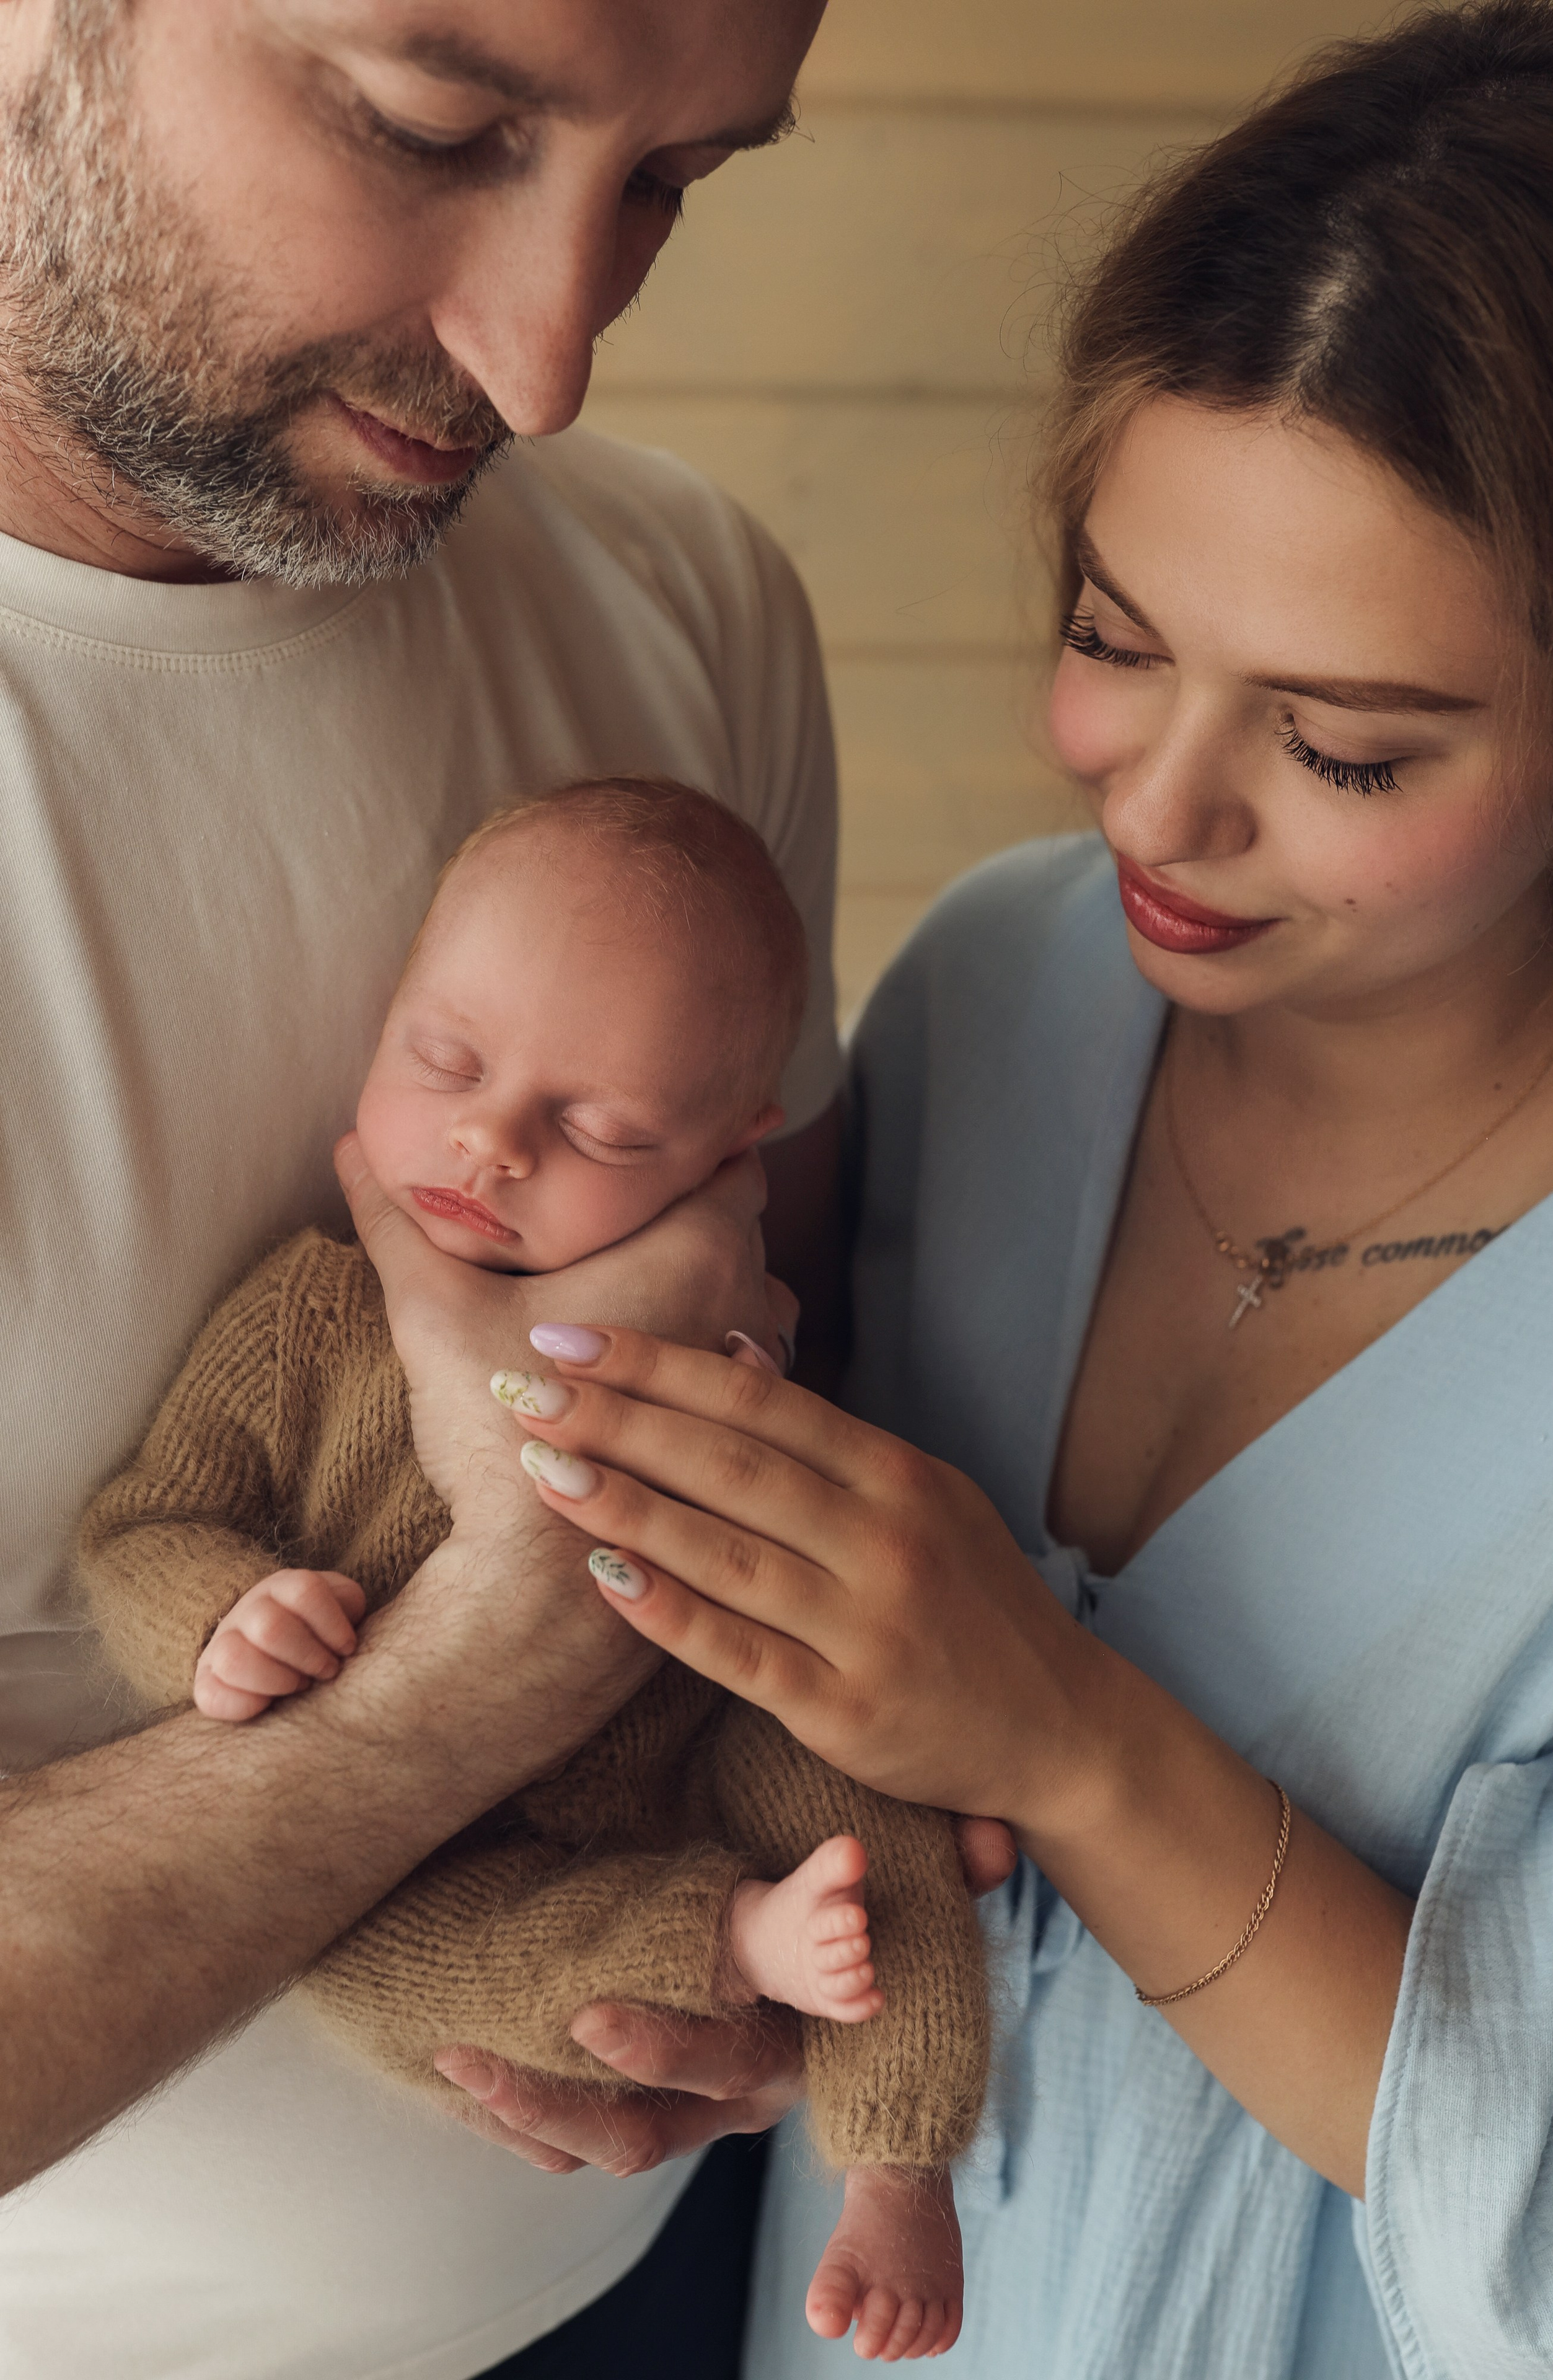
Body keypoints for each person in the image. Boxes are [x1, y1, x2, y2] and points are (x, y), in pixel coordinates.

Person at [448, 4, 1553, 2371]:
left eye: (1347, 747)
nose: (1155, 817)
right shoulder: (992, 998)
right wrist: (709, 1994)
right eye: (1109, 635)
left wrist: (1063, 1730)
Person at [0, 1, 894, 2375]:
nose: (551, 355)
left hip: (669, 2288)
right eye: (438, 127)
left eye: (673, 184)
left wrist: (770, 1962)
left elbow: (799, 1389)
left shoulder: (682, 604)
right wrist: (493, 1661)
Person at [79, 779, 985, 2365]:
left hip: (698, 1736)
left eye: (602, 1131)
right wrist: (223, 1614)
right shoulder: (308, 1316)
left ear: (726, 1155)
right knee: (362, 1959)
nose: (490, 1142)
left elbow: (801, 1529)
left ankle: (896, 2170)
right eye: (446, 1060)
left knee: (871, 1797)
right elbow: (148, 1524)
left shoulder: (720, 1323)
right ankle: (729, 1942)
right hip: (416, 1864)